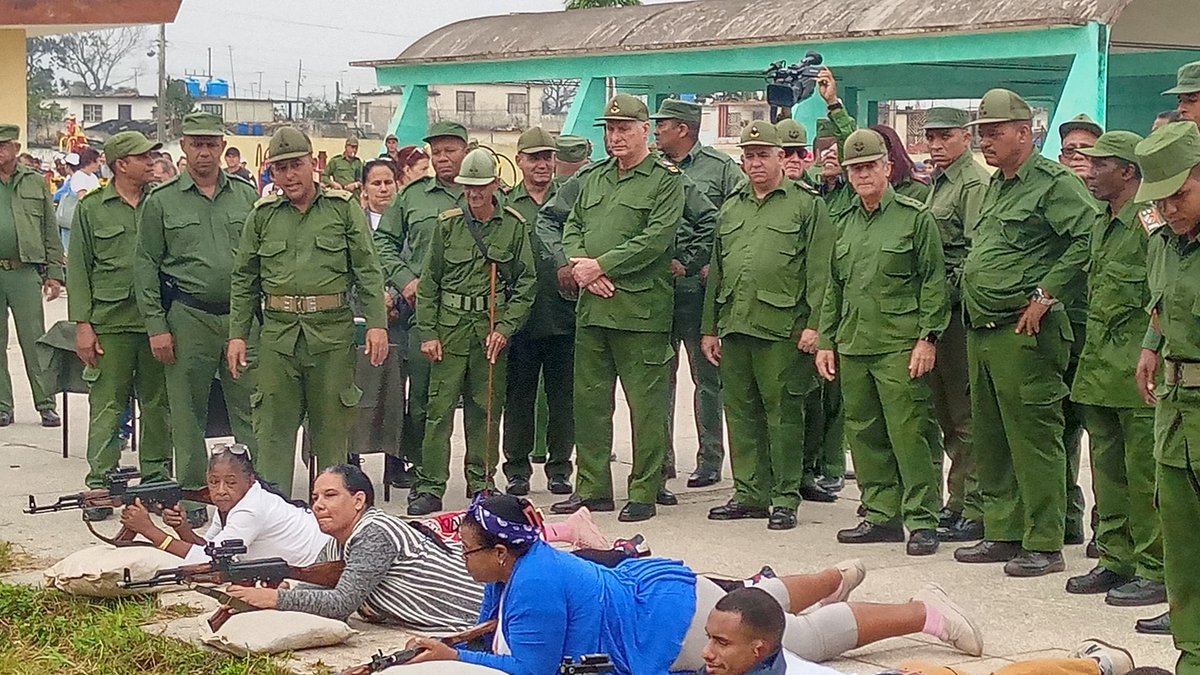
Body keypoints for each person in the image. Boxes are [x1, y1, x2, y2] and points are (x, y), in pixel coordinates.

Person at [405, 494, 983, 674]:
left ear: (499, 552)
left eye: (467, 548)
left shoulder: (531, 582)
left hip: (667, 626)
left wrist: (455, 655)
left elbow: (531, 669)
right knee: (753, 602)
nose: (461, 555)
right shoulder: (517, 564)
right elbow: (492, 629)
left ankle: (922, 611)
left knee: (798, 641)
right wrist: (457, 643)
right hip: (661, 597)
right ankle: (836, 576)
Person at [954, 89, 1098, 577]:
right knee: (992, 437)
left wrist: (1047, 293)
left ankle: (1043, 542)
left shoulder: (1054, 183)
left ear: (1025, 132)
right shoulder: (997, 184)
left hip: (1025, 331)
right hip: (983, 329)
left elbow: (1088, 237)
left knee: (1034, 438)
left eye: (995, 133)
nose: (986, 141)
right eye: (982, 133)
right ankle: (1003, 530)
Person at [227, 126, 388, 498]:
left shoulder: (342, 209)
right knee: (272, 432)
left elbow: (367, 269)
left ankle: (333, 514)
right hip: (278, 337)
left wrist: (376, 324)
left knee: (332, 432)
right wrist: (237, 334)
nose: (289, 175)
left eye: (296, 165)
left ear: (312, 164)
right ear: (272, 171)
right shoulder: (263, 215)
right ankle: (274, 512)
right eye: (280, 168)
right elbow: (244, 278)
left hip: (331, 335)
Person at [550, 94, 685, 523]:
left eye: (624, 128)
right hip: (593, 310)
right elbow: (572, 226)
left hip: (640, 312)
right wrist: (582, 267)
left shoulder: (665, 180)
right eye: (610, 129)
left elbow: (655, 239)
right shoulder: (593, 178)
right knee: (590, 404)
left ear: (645, 130)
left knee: (646, 408)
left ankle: (644, 490)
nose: (615, 137)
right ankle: (593, 488)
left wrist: (601, 265)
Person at [816, 128, 949, 556]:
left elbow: (934, 281)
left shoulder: (914, 217)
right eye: (854, 168)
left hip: (899, 344)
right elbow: (834, 287)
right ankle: (880, 514)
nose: (862, 175)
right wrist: (826, 340)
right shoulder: (842, 222)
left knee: (911, 434)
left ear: (888, 168)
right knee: (864, 434)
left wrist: (928, 338)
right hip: (854, 344)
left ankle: (923, 519)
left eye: (870, 166)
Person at [700, 120, 833, 531]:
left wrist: (816, 325)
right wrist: (710, 327)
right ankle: (749, 493)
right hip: (736, 324)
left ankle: (785, 497)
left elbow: (821, 271)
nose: (755, 163)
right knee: (741, 414)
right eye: (749, 156)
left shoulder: (806, 205)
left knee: (784, 416)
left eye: (763, 155)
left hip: (783, 328)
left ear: (780, 157)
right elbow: (718, 270)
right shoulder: (732, 206)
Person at [134, 111, 259, 527]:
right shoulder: (161, 200)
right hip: (188, 316)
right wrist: (157, 326)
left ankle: (252, 495)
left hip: (241, 318)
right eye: (196, 144)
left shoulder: (245, 196)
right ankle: (191, 496)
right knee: (187, 412)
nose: (204, 152)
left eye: (211, 144)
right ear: (183, 146)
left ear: (222, 147)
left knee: (250, 407)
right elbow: (145, 267)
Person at [1065, 131, 1166, 607]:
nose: (1089, 172)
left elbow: (1160, 300)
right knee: (1107, 475)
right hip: (1099, 370)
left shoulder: (1150, 225)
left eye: (1100, 165)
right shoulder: (1100, 223)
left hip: (1136, 373)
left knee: (1144, 477)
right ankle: (1115, 558)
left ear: (1128, 172)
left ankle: (1153, 568)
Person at [412, 147, 535, 511]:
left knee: (486, 409)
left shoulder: (513, 226)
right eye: (468, 186)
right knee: (439, 410)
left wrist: (506, 328)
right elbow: (429, 282)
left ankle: (481, 482)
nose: (474, 193)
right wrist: (428, 332)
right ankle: (431, 485)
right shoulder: (447, 224)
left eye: (480, 186)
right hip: (449, 329)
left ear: (495, 184)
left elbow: (526, 283)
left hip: (489, 329)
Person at [227, 464, 485, 630]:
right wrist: (283, 590)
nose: (318, 505)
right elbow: (318, 587)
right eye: (315, 497)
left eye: (330, 495)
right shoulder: (338, 542)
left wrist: (273, 598)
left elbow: (340, 604)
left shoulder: (374, 532)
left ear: (358, 500)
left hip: (474, 616)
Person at [67, 131, 170, 522]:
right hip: (110, 323)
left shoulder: (160, 202)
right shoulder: (92, 208)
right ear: (121, 165)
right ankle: (101, 484)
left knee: (158, 405)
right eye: (142, 157)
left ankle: (156, 481)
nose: (151, 162)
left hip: (156, 322)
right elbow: (79, 268)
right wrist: (83, 325)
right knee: (108, 406)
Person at [1133, 121, 1200, 675]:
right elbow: (1163, 307)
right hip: (1176, 417)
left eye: (1181, 194)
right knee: (1182, 549)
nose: (1170, 208)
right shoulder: (1164, 244)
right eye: (1160, 199)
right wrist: (1152, 346)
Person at [376, 121, 471, 498]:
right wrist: (405, 281)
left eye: (451, 150)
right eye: (437, 151)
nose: (443, 157)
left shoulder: (486, 193)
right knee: (423, 401)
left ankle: (481, 478)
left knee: (479, 403)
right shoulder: (413, 197)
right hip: (425, 313)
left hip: (475, 315)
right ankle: (423, 473)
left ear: (467, 151)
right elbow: (384, 242)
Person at [651, 99, 741, 491]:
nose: (656, 131)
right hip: (657, 291)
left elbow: (736, 220)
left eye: (663, 124)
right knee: (658, 379)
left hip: (699, 293)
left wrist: (707, 264)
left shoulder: (720, 169)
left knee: (707, 380)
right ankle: (660, 459)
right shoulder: (651, 167)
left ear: (683, 129)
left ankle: (710, 459)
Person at [922, 108, 991, 544]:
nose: (936, 145)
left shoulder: (972, 184)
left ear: (966, 138)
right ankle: (958, 501)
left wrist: (941, 293)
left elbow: (974, 253)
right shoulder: (941, 182)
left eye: (945, 136)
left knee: (967, 416)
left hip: (959, 311)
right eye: (931, 137)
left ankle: (974, 507)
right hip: (938, 311)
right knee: (946, 413)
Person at [503, 127, 576, 498]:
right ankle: (517, 469)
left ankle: (560, 468)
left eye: (547, 157)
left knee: (563, 400)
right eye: (534, 158)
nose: (542, 165)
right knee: (519, 399)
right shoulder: (506, 204)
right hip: (521, 319)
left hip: (564, 315)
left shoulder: (569, 199)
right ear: (520, 161)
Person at [118, 444, 330, 565]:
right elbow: (210, 547)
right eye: (213, 482)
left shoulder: (250, 509)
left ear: (250, 481)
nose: (220, 490)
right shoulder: (235, 504)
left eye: (230, 482)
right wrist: (182, 527)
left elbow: (206, 560)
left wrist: (149, 530)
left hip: (320, 563)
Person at [1057, 113, 1104, 550]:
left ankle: (1107, 528)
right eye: (1069, 150)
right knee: (1063, 428)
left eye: (1086, 151)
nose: (1076, 158)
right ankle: (1067, 518)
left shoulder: (1120, 208)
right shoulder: (1055, 203)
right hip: (1064, 332)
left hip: (1105, 338)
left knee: (1106, 439)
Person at [0, 124, 63, 429]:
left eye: (4, 146)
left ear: (16, 148)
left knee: (34, 340)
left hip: (24, 271)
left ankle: (45, 404)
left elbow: (50, 229)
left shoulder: (35, 182)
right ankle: (3, 406)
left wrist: (55, 273)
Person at [349, 159, 407, 475]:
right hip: (359, 317)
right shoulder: (354, 221)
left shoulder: (406, 220)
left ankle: (395, 461)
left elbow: (413, 261)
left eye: (388, 183)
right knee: (357, 389)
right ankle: (351, 459)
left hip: (400, 316)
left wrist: (393, 296)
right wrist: (371, 302)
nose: (383, 189)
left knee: (395, 393)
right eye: (376, 183)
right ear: (364, 188)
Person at [58, 147, 102, 250]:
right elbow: (82, 198)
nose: (99, 164)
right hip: (77, 220)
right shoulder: (79, 177)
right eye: (98, 161)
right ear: (90, 162)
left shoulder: (93, 177)